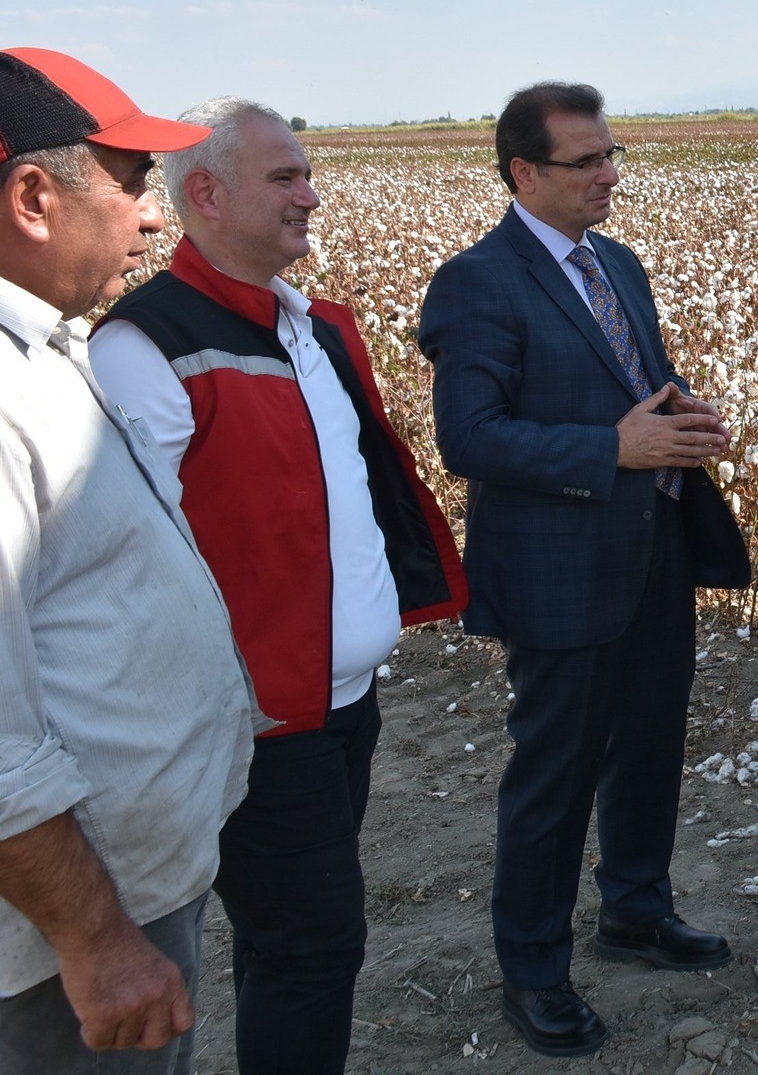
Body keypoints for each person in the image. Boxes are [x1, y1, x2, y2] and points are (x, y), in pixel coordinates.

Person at [89, 98, 467, 1075]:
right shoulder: (145, 346)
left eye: (306, 172)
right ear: (205, 194)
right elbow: (132, 560)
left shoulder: (317, 326)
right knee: (315, 947)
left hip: (343, 704)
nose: (310, 193)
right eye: (284, 177)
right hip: (261, 719)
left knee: (288, 944)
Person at [417, 81, 751, 1057]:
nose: (610, 174)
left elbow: (631, 385)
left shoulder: (619, 266)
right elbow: (469, 437)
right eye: (586, 160)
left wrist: (679, 420)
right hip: (559, 572)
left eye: (612, 155)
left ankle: (636, 912)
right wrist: (613, 449)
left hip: (652, 551)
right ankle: (532, 971)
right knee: (554, 778)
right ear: (524, 171)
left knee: (649, 746)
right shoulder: (477, 282)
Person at [0, 48, 259, 1071]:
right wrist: (97, 941)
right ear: (32, 196)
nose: (154, 215)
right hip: (61, 944)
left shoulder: (50, 346)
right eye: (132, 182)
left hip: (112, 894)